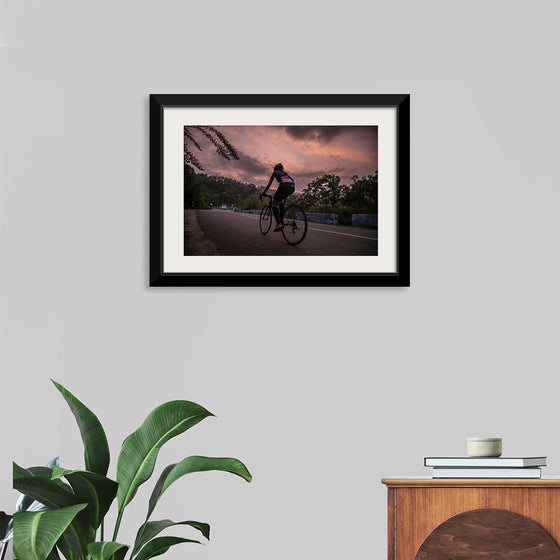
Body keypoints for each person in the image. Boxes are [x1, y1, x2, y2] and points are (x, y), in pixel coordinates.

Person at [260, 163, 295, 231]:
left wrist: (264, 193)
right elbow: (289, 183)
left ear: (275, 169)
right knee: (280, 202)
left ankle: (279, 224)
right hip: (292, 187)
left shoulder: (275, 172)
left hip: (284, 186)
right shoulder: (286, 174)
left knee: (274, 203)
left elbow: (269, 184)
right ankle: (283, 219)